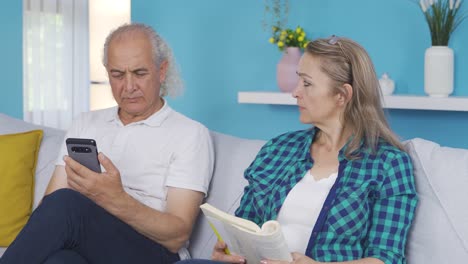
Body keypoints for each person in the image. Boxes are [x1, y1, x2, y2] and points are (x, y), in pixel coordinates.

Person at [180, 36, 418, 264]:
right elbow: (244, 226)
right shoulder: (277, 149)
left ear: (342, 95)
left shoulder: (388, 164)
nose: (295, 92)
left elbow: (387, 258)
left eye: (307, 83)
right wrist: (230, 252)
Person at [0, 23, 214, 264]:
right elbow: (48, 207)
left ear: (161, 71)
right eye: (117, 75)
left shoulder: (190, 134)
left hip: (154, 252)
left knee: (66, 203)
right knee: (59, 259)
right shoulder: (86, 123)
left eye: (140, 73)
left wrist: (112, 197)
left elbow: (177, 235)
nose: (129, 87)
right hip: (90, 242)